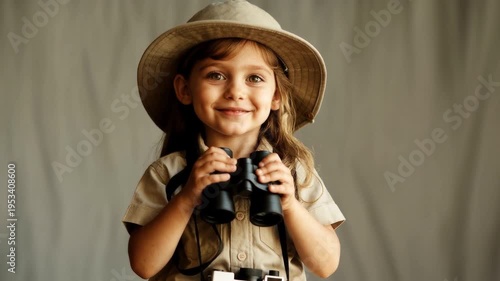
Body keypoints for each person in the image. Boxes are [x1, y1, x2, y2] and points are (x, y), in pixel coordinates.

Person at [122, 1, 345, 280]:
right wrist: (187, 197)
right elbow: (144, 264)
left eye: (254, 78)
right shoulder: (168, 174)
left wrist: (288, 204)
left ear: (276, 96)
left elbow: (326, 265)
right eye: (216, 75)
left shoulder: (293, 171)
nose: (235, 91)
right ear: (184, 89)